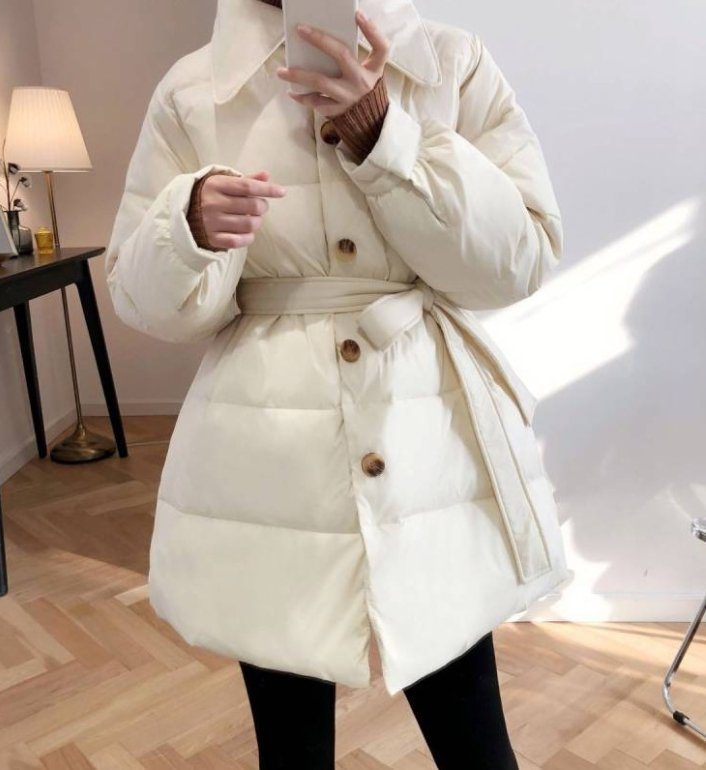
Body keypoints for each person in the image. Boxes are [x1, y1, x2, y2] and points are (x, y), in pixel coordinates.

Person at [104, 0, 572, 767]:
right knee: (290, 743)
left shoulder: (451, 63)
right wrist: (185, 228)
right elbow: (140, 298)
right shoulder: (194, 90)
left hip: (428, 440)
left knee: (475, 742)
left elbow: (519, 260)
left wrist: (387, 136)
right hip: (268, 452)